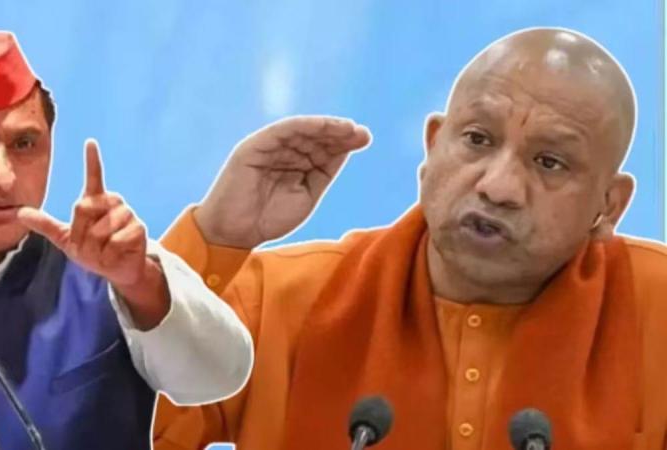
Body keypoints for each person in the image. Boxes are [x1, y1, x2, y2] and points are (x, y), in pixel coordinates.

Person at [153, 27, 667, 449]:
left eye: (549, 162)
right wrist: (216, 235)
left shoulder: (656, 311)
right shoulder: (280, 301)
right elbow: (129, 421)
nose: (498, 187)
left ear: (609, 206)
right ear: (432, 146)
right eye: (477, 139)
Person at [0, 31, 253, 450]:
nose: (4, 178)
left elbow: (221, 375)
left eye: (24, 144)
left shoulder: (114, 264)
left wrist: (139, 281)